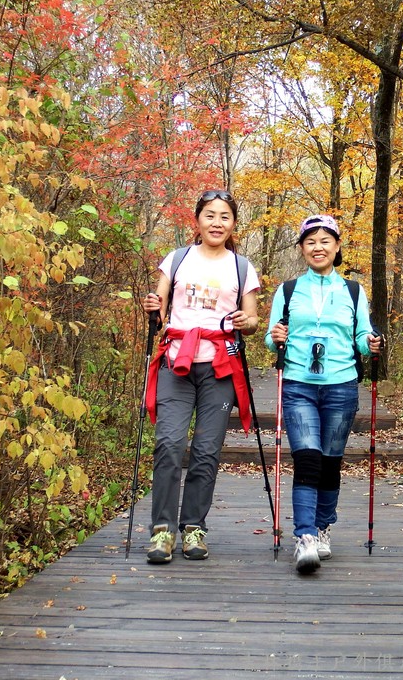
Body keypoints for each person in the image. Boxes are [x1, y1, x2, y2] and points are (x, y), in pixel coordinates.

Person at [140, 189, 260, 564]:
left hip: (219, 367)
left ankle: (194, 527)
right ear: (197, 220)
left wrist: (247, 322)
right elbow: (157, 309)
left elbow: (253, 320)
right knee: (170, 444)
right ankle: (162, 532)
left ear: (233, 224)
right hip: (176, 363)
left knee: (207, 451)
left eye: (224, 216)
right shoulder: (176, 260)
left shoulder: (242, 267)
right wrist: (151, 307)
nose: (217, 222)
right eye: (210, 215)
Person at [265, 214, 381, 574]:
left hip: (341, 384)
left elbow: (362, 336)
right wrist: (276, 338)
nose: (318, 247)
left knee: (331, 463)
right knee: (308, 459)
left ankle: (323, 526)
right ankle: (305, 537)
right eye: (310, 241)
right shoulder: (287, 290)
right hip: (299, 383)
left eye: (325, 240)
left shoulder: (353, 291)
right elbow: (271, 336)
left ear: (337, 247)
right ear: (301, 248)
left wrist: (371, 343)